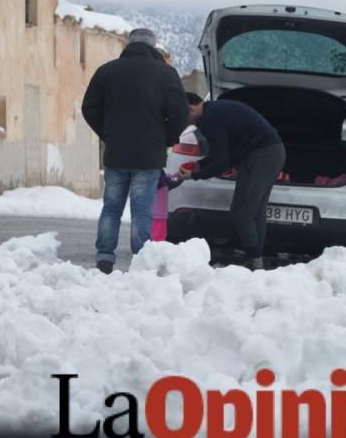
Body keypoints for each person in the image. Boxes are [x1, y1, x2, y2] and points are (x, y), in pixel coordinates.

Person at [82, 28, 189, 274]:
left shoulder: (107, 71)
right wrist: (168, 138)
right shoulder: (166, 73)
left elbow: (89, 108)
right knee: (142, 211)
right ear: (153, 47)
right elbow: (180, 112)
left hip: (116, 153)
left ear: (128, 45)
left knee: (111, 207)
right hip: (148, 155)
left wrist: (107, 133)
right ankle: (141, 259)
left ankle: (105, 257)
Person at [179, 93, 285, 267]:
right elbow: (222, 153)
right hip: (272, 151)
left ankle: (254, 261)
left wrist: (194, 176)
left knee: (242, 211)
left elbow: (222, 162)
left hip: (262, 155)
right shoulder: (213, 112)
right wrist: (199, 165)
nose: (182, 120)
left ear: (190, 109)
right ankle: (256, 258)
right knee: (255, 212)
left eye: (181, 114)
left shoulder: (211, 118)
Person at [151, 171, 183, 241]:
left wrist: (178, 178)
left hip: (161, 214)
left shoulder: (160, 175)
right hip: (156, 215)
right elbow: (168, 181)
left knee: (160, 236)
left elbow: (170, 182)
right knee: (156, 238)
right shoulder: (155, 173)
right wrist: (177, 177)